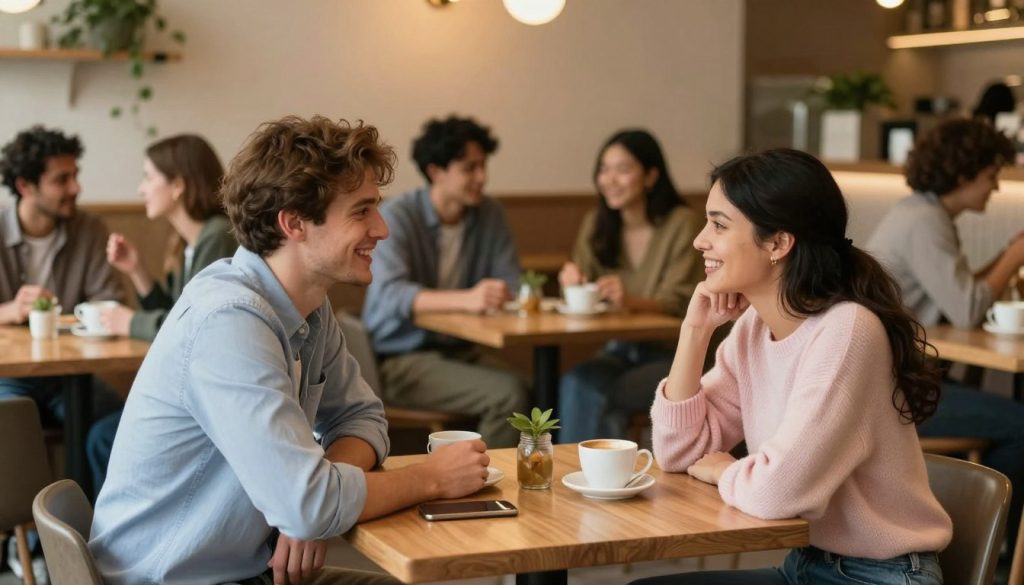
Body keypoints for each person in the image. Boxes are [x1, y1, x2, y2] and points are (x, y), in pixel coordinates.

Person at [89, 116, 491, 585]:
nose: (381, 229)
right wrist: (432, 478)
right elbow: (308, 506)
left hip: (246, 570)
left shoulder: (308, 304)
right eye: (362, 211)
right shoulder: (230, 320)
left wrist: (318, 500)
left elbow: (363, 417)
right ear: (294, 223)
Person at [633, 149, 951, 584]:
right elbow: (678, 452)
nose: (699, 239)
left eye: (719, 225)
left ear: (779, 243)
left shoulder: (847, 332)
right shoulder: (752, 329)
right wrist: (695, 331)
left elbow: (777, 491)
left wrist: (726, 470)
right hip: (805, 565)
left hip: (881, 576)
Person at [867, 117, 1024, 559]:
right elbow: (969, 308)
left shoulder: (921, 212)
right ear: (963, 173)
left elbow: (962, 292)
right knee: (1019, 424)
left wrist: (1004, 255)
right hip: (893, 393)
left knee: (1001, 415)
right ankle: (994, 555)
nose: (995, 189)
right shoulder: (923, 220)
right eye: (991, 177)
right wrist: (1015, 255)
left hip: (900, 378)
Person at [84, 134, 238, 495]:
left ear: (178, 186)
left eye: (148, 177)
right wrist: (136, 270)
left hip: (210, 401)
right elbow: (176, 314)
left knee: (102, 436)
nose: (141, 189)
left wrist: (129, 322)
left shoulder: (217, 238)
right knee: (101, 434)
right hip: (197, 394)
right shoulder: (192, 242)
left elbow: (191, 329)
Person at [363, 115, 529, 448]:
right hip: (400, 357)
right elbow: (392, 293)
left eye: (483, 166)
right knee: (508, 396)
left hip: (459, 349)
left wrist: (501, 293)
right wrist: (469, 298)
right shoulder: (399, 216)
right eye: (470, 168)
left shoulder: (488, 214)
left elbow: (511, 279)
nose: (481, 178)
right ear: (436, 171)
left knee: (533, 388)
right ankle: (490, 486)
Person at [556, 129, 702, 442]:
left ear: (650, 176)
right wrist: (572, 280)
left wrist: (629, 300)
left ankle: (601, 482)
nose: (610, 179)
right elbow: (583, 279)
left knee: (599, 390)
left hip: (674, 353)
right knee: (575, 383)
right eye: (604, 170)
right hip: (620, 348)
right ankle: (574, 481)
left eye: (623, 170)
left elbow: (680, 303)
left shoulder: (681, 223)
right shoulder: (597, 224)